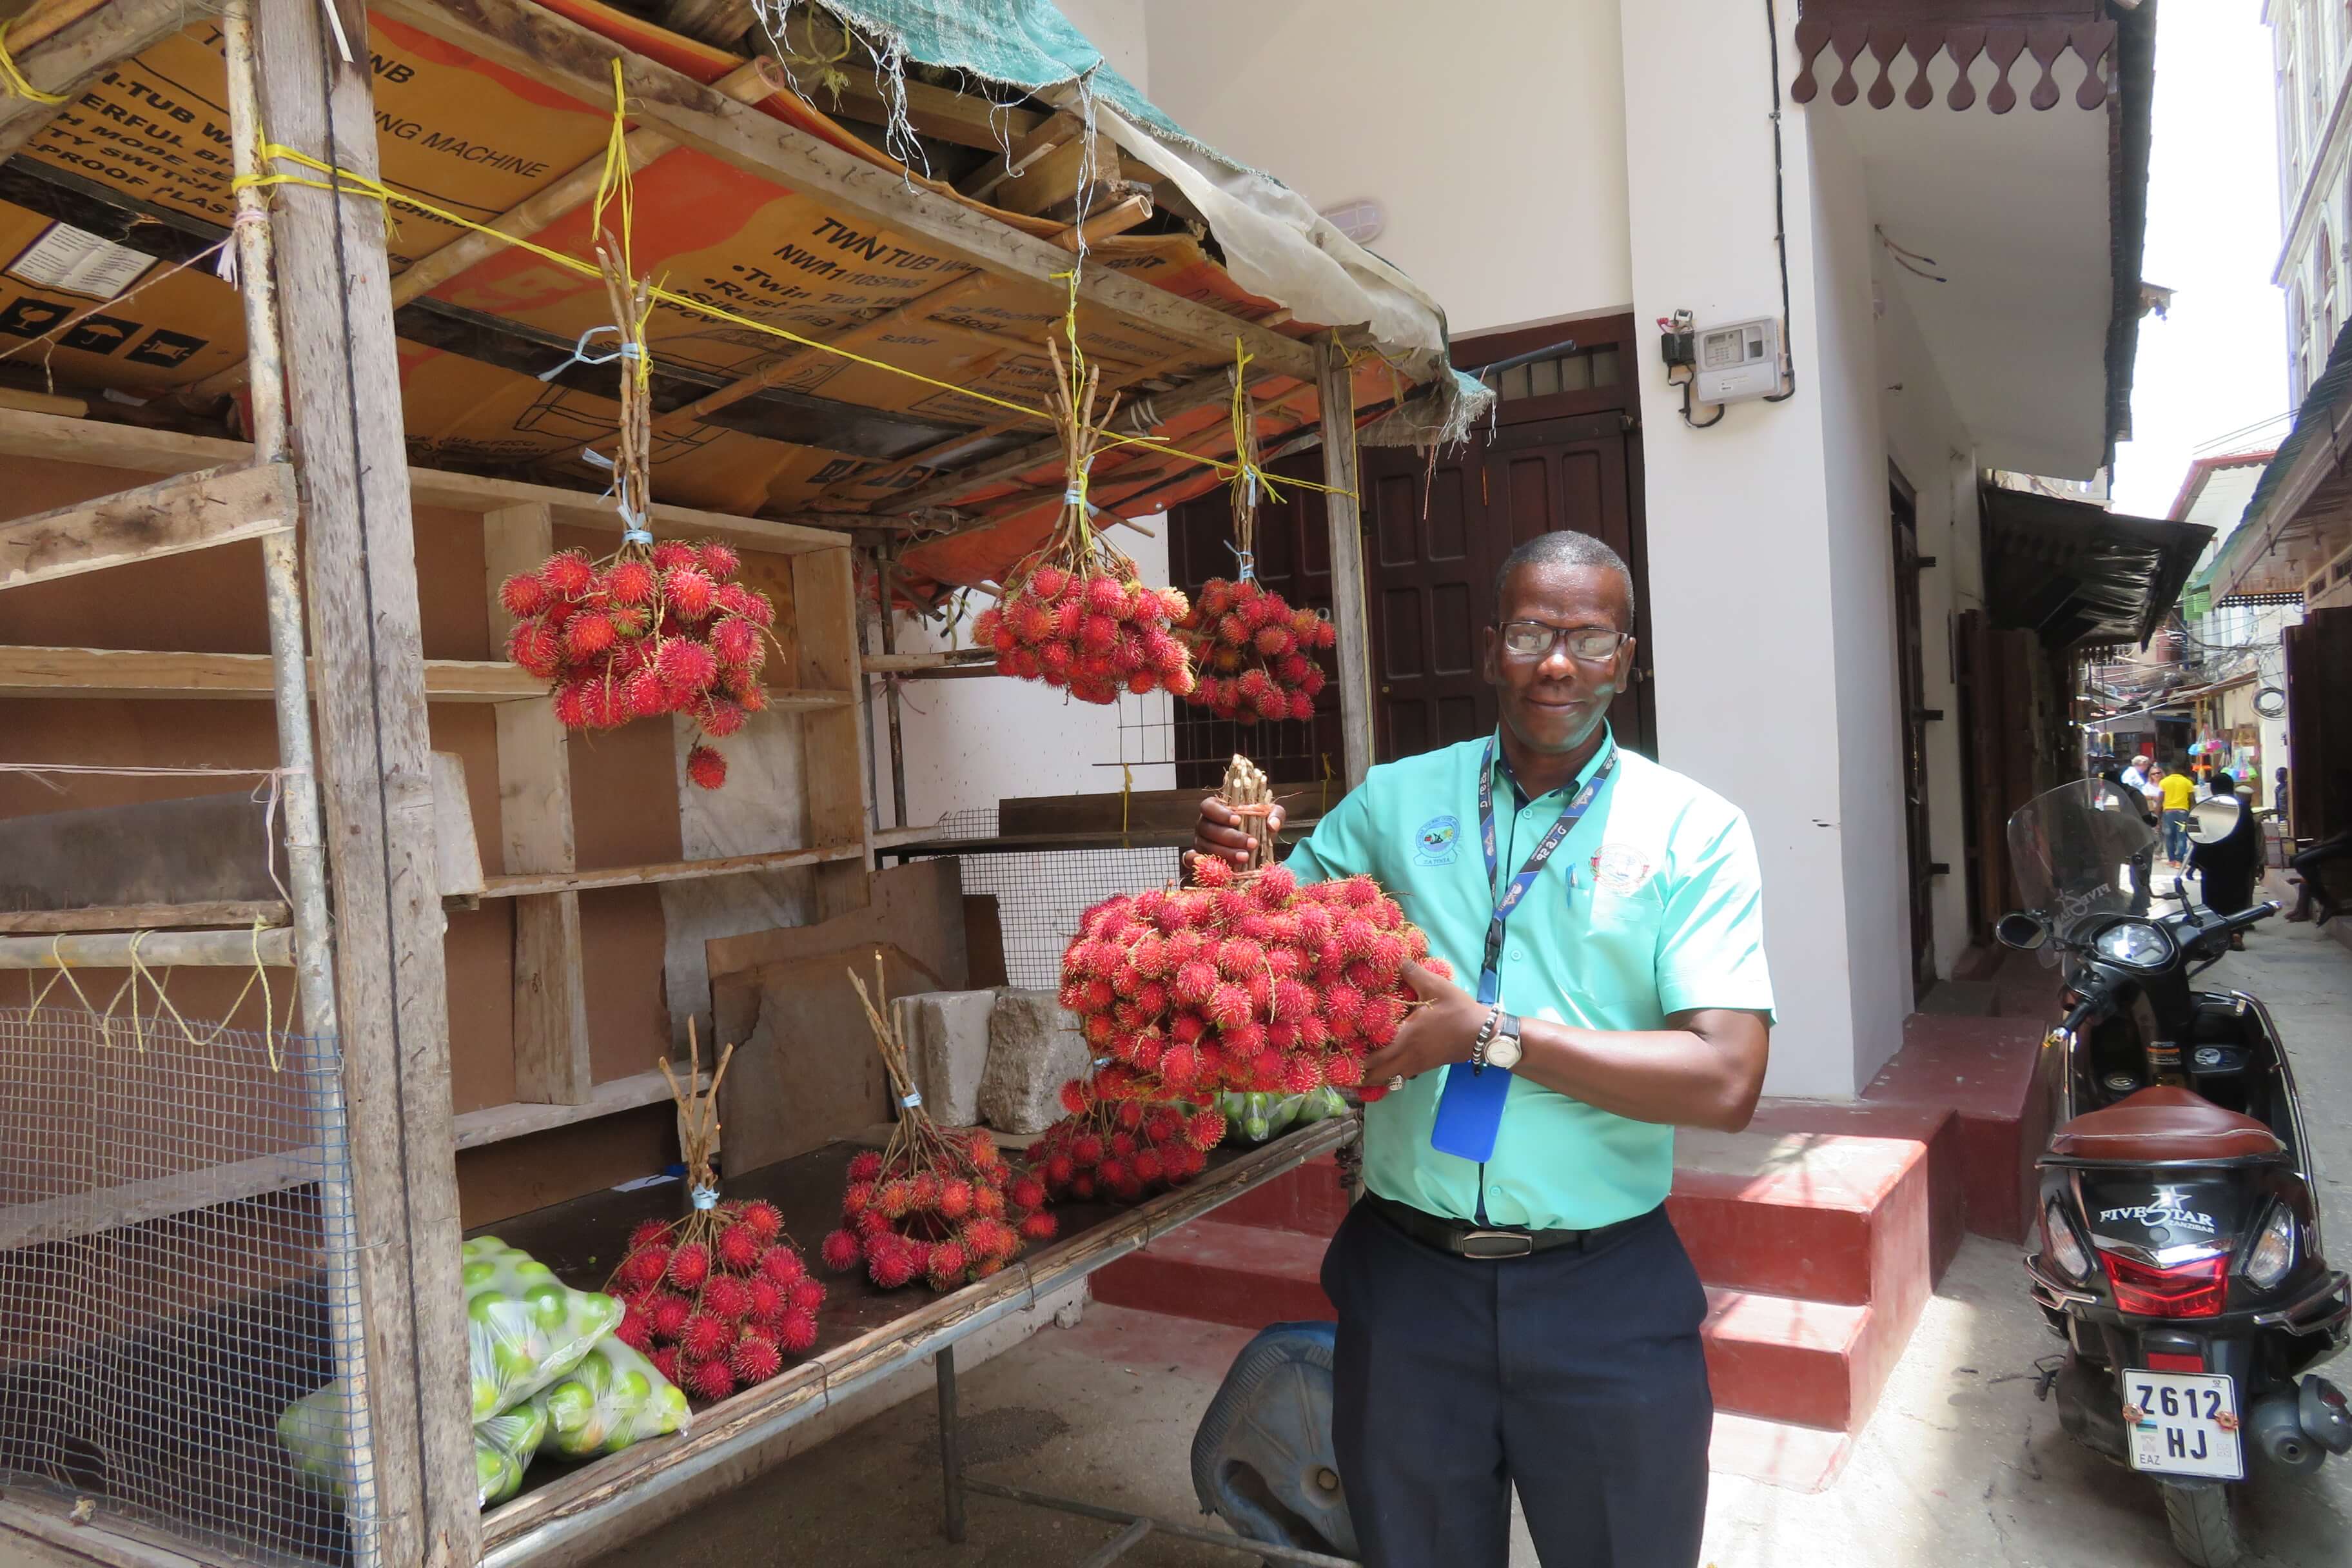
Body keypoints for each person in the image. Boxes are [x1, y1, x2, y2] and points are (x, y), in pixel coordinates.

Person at [1194, 531, 1772, 1568]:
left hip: (1605, 1298)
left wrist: (1494, 1037)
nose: (1558, 663)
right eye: (1531, 632)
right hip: (1409, 1291)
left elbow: (1728, 1079)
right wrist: (1238, 872)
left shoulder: (1695, 828)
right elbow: (1276, 952)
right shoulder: (1395, 801)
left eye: (1590, 639)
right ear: (1489, 648)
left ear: (1626, 657)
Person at [2188, 772, 2262, 948]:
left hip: (2213, 865)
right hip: (2239, 864)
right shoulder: (2243, 808)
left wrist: (2194, 863)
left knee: (2214, 900)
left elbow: (2200, 838)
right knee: (2237, 899)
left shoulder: (2207, 808)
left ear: (2213, 789)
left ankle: (2218, 935)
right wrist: (2254, 863)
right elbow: (2251, 839)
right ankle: (2236, 934)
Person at [2159, 759, 2197, 865]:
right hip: (2183, 813)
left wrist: (2157, 816)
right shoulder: (2187, 782)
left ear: (2171, 770)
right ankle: (2179, 860)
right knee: (2181, 836)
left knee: (2169, 837)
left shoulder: (2164, 782)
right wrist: (2193, 815)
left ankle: (2171, 860)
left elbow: (2160, 801)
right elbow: (2192, 800)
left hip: (2168, 813)